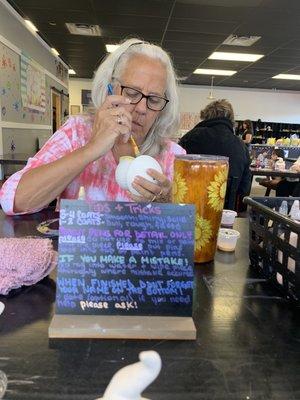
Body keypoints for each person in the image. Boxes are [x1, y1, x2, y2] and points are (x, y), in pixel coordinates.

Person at [0, 39, 185, 215]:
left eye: (154, 99)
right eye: (132, 93)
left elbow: (193, 229)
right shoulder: (77, 132)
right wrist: (91, 149)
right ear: (110, 89)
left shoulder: (173, 157)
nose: (142, 108)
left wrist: (167, 202)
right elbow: (13, 200)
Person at [179, 99, 251, 209]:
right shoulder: (241, 146)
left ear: (206, 115)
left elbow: (174, 173)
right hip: (225, 212)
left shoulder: (191, 137)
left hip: (190, 210)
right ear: (231, 119)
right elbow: (244, 189)